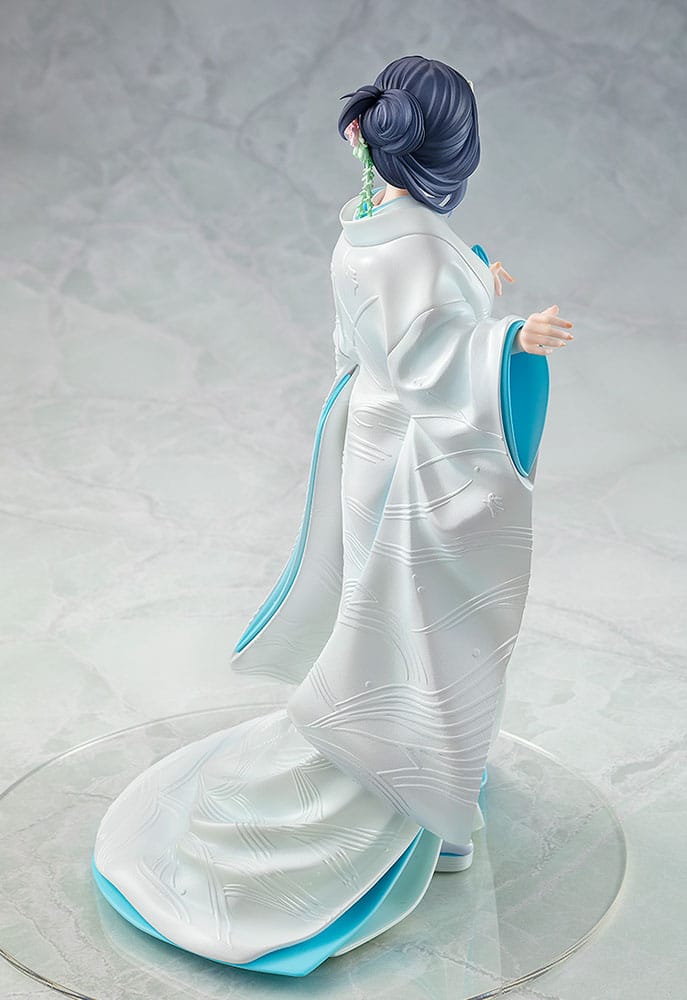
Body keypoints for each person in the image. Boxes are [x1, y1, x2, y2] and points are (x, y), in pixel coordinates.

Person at [92, 54, 573, 977]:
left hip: (372, 436)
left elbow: (392, 330)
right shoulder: (417, 244)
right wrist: (510, 337)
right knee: (430, 621)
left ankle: (431, 779)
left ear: (366, 134)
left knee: (386, 613)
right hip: (418, 458)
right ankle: (421, 798)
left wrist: (474, 277)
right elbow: (430, 357)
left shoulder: (363, 227)